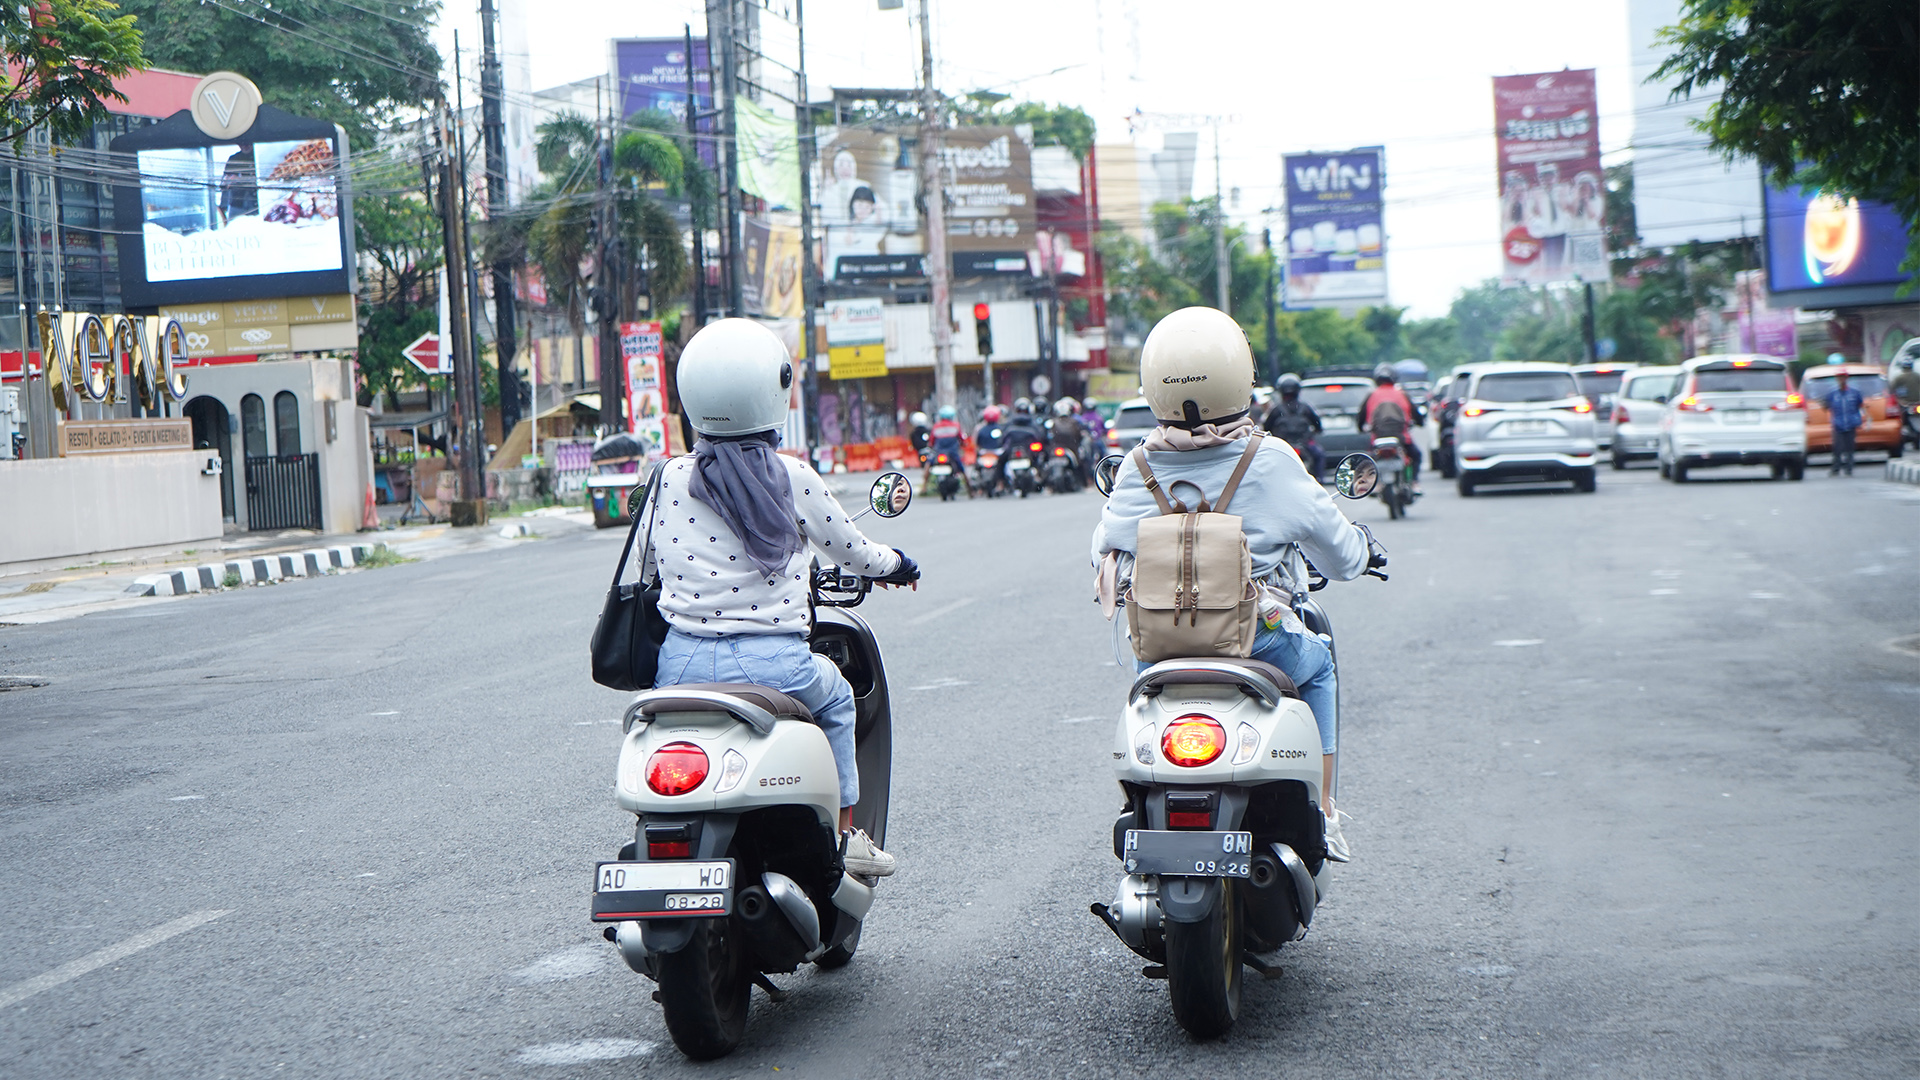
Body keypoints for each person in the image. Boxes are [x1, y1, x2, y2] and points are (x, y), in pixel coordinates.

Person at [1091, 307, 1374, 861]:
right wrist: (1365, 552)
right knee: (1319, 664)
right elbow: (1341, 557)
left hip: (1162, 650)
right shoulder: (1268, 460)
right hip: (1257, 640)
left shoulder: (1137, 465)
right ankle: (1324, 812)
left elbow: (1103, 548)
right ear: (1240, 375)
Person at [640, 318, 920, 878]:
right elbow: (853, 551)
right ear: (776, 389)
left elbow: (648, 566)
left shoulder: (665, 478)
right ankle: (847, 839)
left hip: (681, 662)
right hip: (775, 665)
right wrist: (899, 565)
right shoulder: (791, 477)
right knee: (838, 700)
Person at [1360, 363, 1423, 491]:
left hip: (1377, 438)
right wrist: (1420, 422)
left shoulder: (1371, 395)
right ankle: (1414, 482)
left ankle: (1376, 484)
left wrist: (1360, 428)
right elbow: (1417, 415)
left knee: (1370, 458)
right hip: (1401, 437)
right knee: (1416, 455)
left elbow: (1360, 417)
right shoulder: (1402, 394)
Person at [1262, 373, 1325, 481]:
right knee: (1319, 455)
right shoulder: (1305, 408)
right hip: (1305, 443)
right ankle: (1319, 480)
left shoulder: (1276, 409)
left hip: (1283, 444)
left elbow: (1266, 427)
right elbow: (1317, 424)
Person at [1822, 361, 1865, 477]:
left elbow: (1860, 405)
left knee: (1850, 447)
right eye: (1839, 377)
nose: (1841, 380)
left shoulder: (1854, 392)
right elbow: (1826, 405)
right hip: (1838, 424)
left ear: (1847, 378)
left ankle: (1849, 468)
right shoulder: (1832, 393)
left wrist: (1858, 419)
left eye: (1843, 377)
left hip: (1851, 423)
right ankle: (1836, 468)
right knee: (1837, 447)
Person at [925, 405, 969, 494]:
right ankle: (969, 489)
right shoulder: (956, 426)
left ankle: (924, 486)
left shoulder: (936, 426)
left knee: (929, 465)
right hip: (952, 453)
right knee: (962, 469)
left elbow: (931, 441)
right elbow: (961, 439)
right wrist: (964, 444)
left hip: (938, 452)